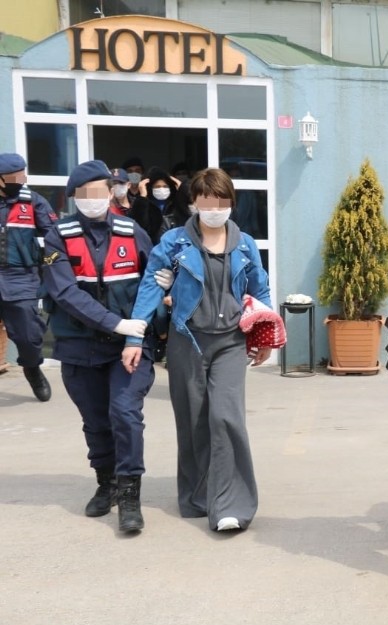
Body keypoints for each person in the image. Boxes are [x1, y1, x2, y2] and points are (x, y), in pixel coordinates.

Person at [123, 168, 271, 533]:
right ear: (194, 203)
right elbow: (150, 287)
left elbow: (260, 291)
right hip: (186, 340)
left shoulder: (246, 243)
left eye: (221, 201)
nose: (214, 208)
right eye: (206, 201)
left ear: (231, 203)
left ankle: (231, 505)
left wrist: (265, 334)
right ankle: (196, 497)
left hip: (231, 342)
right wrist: (134, 335)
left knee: (225, 417)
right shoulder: (174, 243)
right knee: (193, 420)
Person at [41, 160, 154, 533]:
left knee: (125, 414)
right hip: (79, 347)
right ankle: (105, 483)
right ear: (74, 197)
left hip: (127, 349)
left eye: (100, 192)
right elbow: (63, 291)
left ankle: (130, 494)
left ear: (111, 192)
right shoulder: (59, 234)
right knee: (96, 421)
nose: (93, 200)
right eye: (84, 194)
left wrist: (137, 334)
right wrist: (114, 321)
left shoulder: (132, 230)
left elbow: (151, 283)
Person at [0, 152, 56, 402]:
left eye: (22, 174)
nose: (20, 180)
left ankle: (32, 368)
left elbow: (55, 238)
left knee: (30, 336)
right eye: (14, 176)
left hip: (20, 277)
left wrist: (50, 266)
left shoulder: (33, 202)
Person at [131, 166, 191, 245]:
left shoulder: (176, 204)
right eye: (157, 187)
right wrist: (142, 197)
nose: (161, 189)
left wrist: (182, 191)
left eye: (165, 186)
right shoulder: (144, 204)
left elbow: (188, 217)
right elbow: (140, 225)